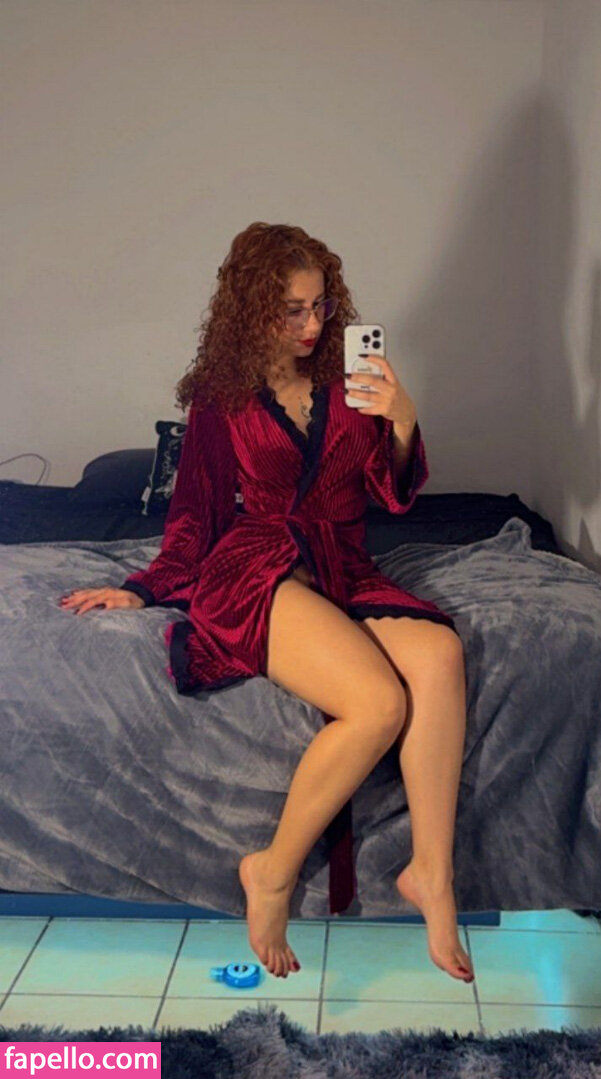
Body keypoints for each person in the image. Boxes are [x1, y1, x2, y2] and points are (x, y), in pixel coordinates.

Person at [58, 222, 474, 985]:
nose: (312, 325)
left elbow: (389, 492)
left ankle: (431, 874)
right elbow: (195, 515)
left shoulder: (349, 381)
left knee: (441, 653)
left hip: (341, 562)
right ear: (253, 308)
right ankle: (271, 871)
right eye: (292, 310)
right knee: (378, 703)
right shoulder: (221, 401)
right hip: (257, 567)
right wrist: (141, 587)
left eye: (320, 306)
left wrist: (402, 418)